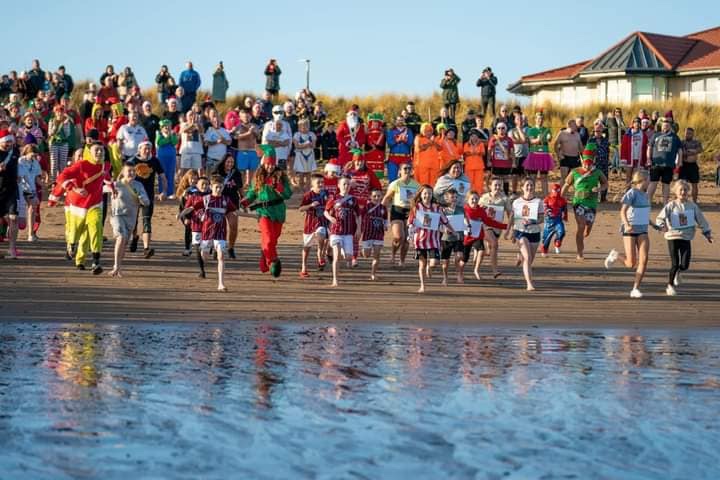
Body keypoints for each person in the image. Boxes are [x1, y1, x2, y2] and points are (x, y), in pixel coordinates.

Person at [48, 143, 111, 273]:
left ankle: (95, 261)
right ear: (89, 153)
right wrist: (73, 189)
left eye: (101, 150)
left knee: (95, 228)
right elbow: (61, 177)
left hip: (95, 204)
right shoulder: (80, 165)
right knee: (75, 232)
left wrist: (112, 187)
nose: (100, 152)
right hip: (76, 206)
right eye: (96, 150)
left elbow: (105, 178)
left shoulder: (105, 166)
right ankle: (71, 245)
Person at [655, 180, 713, 296]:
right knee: (675, 263)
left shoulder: (692, 206)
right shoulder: (671, 205)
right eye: (680, 190)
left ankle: (679, 272)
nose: (683, 192)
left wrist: (707, 233)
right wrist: (662, 226)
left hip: (686, 237)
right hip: (672, 236)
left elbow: (701, 220)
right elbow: (660, 218)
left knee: (685, 265)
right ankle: (670, 285)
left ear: (688, 191)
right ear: (675, 192)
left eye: (685, 190)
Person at [241, 145, 292, 277]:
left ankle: (264, 258)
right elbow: (252, 193)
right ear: (264, 163)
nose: (270, 166)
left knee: (273, 240)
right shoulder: (258, 176)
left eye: (272, 164)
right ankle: (273, 262)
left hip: (278, 212)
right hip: (263, 212)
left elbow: (288, 194)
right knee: (268, 239)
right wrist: (246, 201)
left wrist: (279, 187)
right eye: (268, 164)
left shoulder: (281, 176)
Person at [180, 175, 237, 291]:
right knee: (204, 256)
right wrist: (181, 214)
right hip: (206, 233)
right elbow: (192, 208)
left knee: (221, 256)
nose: (219, 189)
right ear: (211, 187)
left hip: (220, 233)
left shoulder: (226, 200)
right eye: (216, 187)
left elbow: (235, 211)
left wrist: (253, 216)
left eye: (221, 187)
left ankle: (221, 283)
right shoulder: (206, 199)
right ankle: (204, 252)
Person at [604, 170, 651, 298]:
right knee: (631, 263)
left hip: (643, 230)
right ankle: (615, 255)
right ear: (642, 180)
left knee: (644, 260)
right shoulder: (632, 193)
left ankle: (635, 288)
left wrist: (656, 225)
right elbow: (623, 211)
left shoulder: (646, 195)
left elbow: (644, 214)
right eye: (648, 179)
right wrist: (627, 224)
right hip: (630, 230)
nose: (650, 182)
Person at [561, 144, 608, 260]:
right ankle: (580, 252)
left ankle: (587, 229)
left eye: (589, 164)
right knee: (581, 226)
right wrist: (560, 199)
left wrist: (599, 189)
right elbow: (566, 185)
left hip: (592, 204)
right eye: (585, 164)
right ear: (582, 161)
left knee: (587, 230)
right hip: (578, 202)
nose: (587, 166)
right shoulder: (575, 172)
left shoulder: (597, 172)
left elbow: (605, 184)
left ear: (593, 162)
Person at [408, 184, 454, 293]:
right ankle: (422, 286)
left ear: (432, 195)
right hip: (420, 240)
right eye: (425, 193)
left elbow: (445, 221)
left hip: (433, 240)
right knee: (422, 264)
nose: (427, 195)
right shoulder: (416, 207)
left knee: (434, 262)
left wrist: (453, 230)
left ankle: (430, 267)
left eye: (429, 193)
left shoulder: (437, 208)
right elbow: (410, 222)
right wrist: (410, 236)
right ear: (420, 194)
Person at [108, 162, 150, 277]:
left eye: (133, 171)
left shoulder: (138, 185)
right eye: (129, 171)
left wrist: (140, 197)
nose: (131, 173)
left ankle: (119, 267)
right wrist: (110, 188)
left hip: (131, 218)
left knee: (124, 243)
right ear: (123, 172)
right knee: (121, 237)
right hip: (117, 216)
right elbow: (99, 189)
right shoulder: (116, 184)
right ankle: (115, 266)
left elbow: (147, 202)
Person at [506, 178, 543, 291]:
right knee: (528, 258)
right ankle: (529, 284)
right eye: (527, 185)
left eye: (531, 185)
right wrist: (509, 231)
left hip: (534, 233)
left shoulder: (538, 202)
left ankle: (520, 256)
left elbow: (541, 218)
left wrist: (533, 221)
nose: (529, 187)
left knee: (529, 260)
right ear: (522, 187)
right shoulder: (517, 202)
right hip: (520, 232)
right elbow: (512, 217)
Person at [464, 188, 508, 280]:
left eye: (476, 199)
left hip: (477, 236)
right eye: (472, 199)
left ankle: (476, 270)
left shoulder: (481, 211)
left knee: (482, 251)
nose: (474, 201)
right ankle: (460, 272)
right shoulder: (464, 210)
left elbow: (489, 222)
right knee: (464, 259)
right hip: (466, 237)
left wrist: (505, 226)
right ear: (467, 200)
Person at [324, 176, 360, 287]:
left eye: (348, 184)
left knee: (348, 257)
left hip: (348, 232)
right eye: (344, 184)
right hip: (336, 231)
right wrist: (330, 218)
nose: (346, 186)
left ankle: (343, 252)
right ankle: (335, 280)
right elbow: (325, 211)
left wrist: (359, 228)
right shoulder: (334, 198)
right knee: (336, 257)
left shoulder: (353, 200)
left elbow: (358, 215)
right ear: (339, 185)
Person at [382, 162, 419, 267]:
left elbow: (419, 201)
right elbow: (387, 197)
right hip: (397, 210)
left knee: (406, 239)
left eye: (409, 168)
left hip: (409, 212)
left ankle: (402, 261)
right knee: (398, 237)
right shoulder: (396, 183)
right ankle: (393, 255)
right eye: (405, 169)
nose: (407, 170)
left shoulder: (416, 185)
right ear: (400, 171)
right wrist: (380, 210)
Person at [299, 173, 330, 277]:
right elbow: (301, 208)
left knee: (322, 236)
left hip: (322, 222)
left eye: (322, 182)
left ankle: (320, 256)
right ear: (312, 183)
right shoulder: (308, 195)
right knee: (306, 247)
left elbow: (330, 204)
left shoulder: (326, 193)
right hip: (310, 224)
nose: (321, 184)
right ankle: (304, 266)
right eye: (318, 182)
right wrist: (310, 205)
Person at [213, 153, 243, 259]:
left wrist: (244, 200)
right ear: (223, 162)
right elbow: (211, 188)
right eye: (228, 162)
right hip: (218, 202)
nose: (230, 164)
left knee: (233, 226)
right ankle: (217, 248)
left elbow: (240, 189)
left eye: (232, 162)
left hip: (232, 202)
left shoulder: (236, 173)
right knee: (217, 227)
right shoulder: (217, 172)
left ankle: (231, 248)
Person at [646, 118, 683, 205]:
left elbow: (680, 151)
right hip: (656, 164)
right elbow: (649, 147)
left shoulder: (675, 137)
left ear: (670, 127)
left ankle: (665, 203)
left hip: (668, 165)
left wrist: (679, 162)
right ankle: (647, 202)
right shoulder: (656, 135)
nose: (665, 127)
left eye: (667, 126)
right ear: (661, 126)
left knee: (666, 184)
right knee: (653, 182)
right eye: (664, 126)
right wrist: (648, 159)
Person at [17, 144, 44, 242]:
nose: (34, 157)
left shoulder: (35, 162)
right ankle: (11, 230)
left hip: (31, 188)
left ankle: (30, 233)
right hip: (20, 188)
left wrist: (43, 184)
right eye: (32, 155)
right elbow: (20, 177)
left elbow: (37, 177)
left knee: (33, 207)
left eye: (35, 155)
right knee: (16, 212)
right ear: (26, 152)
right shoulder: (20, 161)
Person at [524, 111, 554, 198]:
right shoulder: (531, 130)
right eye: (538, 118)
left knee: (544, 177)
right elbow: (531, 141)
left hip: (544, 155)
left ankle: (545, 197)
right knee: (533, 177)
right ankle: (531, 196)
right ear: (535, 119)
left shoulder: (547, 130)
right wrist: (538, 139)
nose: (540, 120)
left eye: (541, 119)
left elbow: (549, 139)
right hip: (534, 154)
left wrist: (549, 138)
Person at [360, 188, 387, 281]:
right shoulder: (367, 207)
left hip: (379, 234)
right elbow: (360, 217)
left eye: (378, 196)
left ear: (381, 197)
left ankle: (373, 274)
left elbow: (385, 218)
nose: (376, 198)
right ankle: (362, 251)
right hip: (368, 234)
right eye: (374, 196)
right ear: (370, 197)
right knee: (366, 255)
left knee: (377, 255)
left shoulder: (383, 208)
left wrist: (386, 225)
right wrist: (360, 227)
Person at [0, 130, 20, 258]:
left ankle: (12, 249)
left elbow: (18, 165)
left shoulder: (15, 152)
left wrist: (19, 175)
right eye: (6, 142)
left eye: (10, 141)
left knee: (13, 218)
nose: (9, 144)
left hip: (11, 189)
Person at [439, 188, 465, 285]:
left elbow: (466, 221)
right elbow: (437, 224)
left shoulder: (461, 209)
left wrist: (468, 227)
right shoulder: (442, 210)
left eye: (456, 197)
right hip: (446, 238)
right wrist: (443, 229)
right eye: (452, 197)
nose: (454, 199)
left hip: (458, 237)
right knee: (445, 262)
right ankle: (445, 277)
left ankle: (459, 275)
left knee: (459, 256)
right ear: (446, 198)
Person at [176, 169, 202, 257]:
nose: (194, 181)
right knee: (188, 229)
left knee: (198, 230)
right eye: (192, 179)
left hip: (196, 214)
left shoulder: (199, 188)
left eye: (196, 179)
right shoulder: (186, 190)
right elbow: (183, 205)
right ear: (187, 179)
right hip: (185, 213)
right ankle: (188, 248)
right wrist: (186, 217)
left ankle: (202, 247)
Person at [47, 106, 77, 182]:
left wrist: (65, 125)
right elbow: (50, 133)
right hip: (54, 143)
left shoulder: (67, 122)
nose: (59, 113)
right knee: (54, 164)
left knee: (62, 165)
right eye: (58, 112)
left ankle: (61, 181)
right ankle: (53, 182)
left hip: (63, 143)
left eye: (61, 112)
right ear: (55, 113)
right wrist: (55, 126)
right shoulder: (52, 121)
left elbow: (67, 134)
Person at [620, 117, 649, 191]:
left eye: (638, 123)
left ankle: (636, 191)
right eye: (635, 123)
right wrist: (623, 159)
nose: (637, 124)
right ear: (632, 124)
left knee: (637, 177)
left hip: (639, 158)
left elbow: (646, 147)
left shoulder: (643, 135)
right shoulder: (628, 134)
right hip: (629, 158)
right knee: (628, 176)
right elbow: (623, 147)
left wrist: (645, 159)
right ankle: (627, 190)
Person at [540, 183, 568, 256]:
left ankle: (557, 243)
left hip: (558, 220)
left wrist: (565, 216)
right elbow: (544, 207)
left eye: (558, 190)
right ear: (552, 190)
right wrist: (548, 211)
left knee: (562, 232)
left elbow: (565, 209)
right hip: (549, 221)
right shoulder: (547, 199)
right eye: (555, 190)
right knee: (547, 237)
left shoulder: (562, 200)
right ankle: (544, 250)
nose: (556, 192)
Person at [233, 108, 260, 186]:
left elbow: (258, 137)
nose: (246, 118)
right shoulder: (238, 127)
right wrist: (248, 133)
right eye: (244, 117)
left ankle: (250, 188)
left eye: (247, 117)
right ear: (240, 117)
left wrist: (253, 131)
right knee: (242, 172)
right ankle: (242, 187)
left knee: (253, 171)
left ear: (250, 116)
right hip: (242, 151)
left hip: (253, 151)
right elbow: (236, 137)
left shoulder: (255, 126)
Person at [487, 122, 515, 195]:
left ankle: (506, 195)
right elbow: (489, 151)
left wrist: (514, 162)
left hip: (506, 163)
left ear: (506, 129)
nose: (501, 130)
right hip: (496, 163)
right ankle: (495, 194)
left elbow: (512, 151)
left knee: (506, 179)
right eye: (499, 128)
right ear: (496, 129)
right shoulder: (493, 139)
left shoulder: (509, 139)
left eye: (503, 128)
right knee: (496, 180)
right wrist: (488, 161)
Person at [262, 105, 292, 170]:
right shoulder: (268, 124)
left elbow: (289, 140)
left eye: (280, 112)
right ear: (272, 113)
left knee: (281, 172)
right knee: (269, 171)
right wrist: (265, 154)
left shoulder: (287, 124)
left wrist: (288, 153)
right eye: (276, 112)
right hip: (271, 153)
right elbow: (265, 140)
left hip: (283, 154)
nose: (279, 114)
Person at [553, 118, 584, 183]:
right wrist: (559, 155)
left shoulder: (577, 134)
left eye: (576, 125)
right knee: (564, 178)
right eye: (574, 125)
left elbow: (581, 147)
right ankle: (561, 190)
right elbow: (555, 144)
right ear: (569, 125)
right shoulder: (562, 133)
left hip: (575, 158)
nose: (576, 127)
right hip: (565, 158)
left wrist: (583, 158)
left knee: (576, 178)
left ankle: (575, 190)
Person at [386, 116, 414, 183]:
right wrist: (397, 140)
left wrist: (405, 140)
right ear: (396, 121)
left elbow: (411, 143)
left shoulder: (408, 131)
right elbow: (389, 143)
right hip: (393, 157)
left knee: (405, 178)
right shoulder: (391, 131)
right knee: (392, 178)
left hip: (405, 158)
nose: (400, 121)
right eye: (398, 120)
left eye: (402, 120)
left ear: (404, 121)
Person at [155, 119, 179, 198]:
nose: (167, 128)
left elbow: (175, 142)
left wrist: (170, 136)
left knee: (170, 174)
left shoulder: (173, 134)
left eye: (168, 126)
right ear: (161, 128)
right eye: (165, 127)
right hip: (162, 158)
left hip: (171, 157)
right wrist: (168, 138)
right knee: (162, 174)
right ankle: (162, 192)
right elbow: (159, 143)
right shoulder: (159, 134)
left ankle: (170, 193)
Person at [588, 122, 611, 202]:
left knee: (604, 180)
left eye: (599, 131)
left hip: (604, 163)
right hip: (594, 164)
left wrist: (608, 161)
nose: (597, 133)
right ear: (594, 131)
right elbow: (587, 153)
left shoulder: (605, 140)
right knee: (593, 181)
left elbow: (608, 151)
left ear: (602, 131)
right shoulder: (590, 141)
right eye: (596, 131)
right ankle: (593, 197)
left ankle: (603, 198)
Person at [293, 119, 317, 192]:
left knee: (309, 174)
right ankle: (300, 190)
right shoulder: (296, 135)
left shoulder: (312, 134)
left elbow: (313, 145)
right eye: (302, 126)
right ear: (299, 127)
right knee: (301, 174)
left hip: (310, 156)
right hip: (300, 156)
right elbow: (297, 146)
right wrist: (307, 144)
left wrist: (303, 145)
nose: (304, 127)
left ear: (308, 126)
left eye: (306, 125)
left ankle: (307, 190)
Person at [204, 109, 231, 173]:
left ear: (221, 121)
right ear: (212, 122)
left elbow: (229, 142)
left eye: (218, 121)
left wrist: (223, 141)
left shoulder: (225, 131)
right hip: (211, 159)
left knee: (220, 177)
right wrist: (216, 142)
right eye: (215, 121)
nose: (216, 122)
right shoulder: (209, 130)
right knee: (209, 177)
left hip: (222, 160)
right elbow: (206, 143)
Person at [680, 127, 703, 203]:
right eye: (686, 133)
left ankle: (694, 202)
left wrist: (693, 151)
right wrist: (692, 152)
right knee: (682, 184)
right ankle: (682, 201)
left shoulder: (696, 142)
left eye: (690, 133)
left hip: (693, 165)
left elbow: (700, 150)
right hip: (684, 165)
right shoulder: (682, 142)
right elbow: (682, 152)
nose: (688, 135)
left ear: (693, 134)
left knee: (694, 184)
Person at [179, 110, 204, 175]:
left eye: (193, 115)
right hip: (186, 151)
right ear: (186, 117)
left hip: (197, 151)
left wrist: (197, 124)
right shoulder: (183, 124)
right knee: (185, 170)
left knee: (196, 171)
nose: (192, 116)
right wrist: (192, 124)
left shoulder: (199, 124)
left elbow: (201, 131)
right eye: (190, 115)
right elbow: (183, 130)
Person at [461, 128, 486, 194]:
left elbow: (483, 153)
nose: (474, 137)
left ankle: (479, 194)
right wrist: (476, 153)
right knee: (469, 182)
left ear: (477, 137)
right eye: (472, 136)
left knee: (479, 182)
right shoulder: (466, 144)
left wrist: (473, 153)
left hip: (479, 166)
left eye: (475, 136)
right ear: (470, 137)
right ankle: (469, 194)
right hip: (469, 166)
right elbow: (465, 153)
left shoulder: (481, 144)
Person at [509, 114, 528, 196]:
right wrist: (522, 140)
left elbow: (525, 139)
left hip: (525, 155)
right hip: (515, 156)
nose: (520, 121)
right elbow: (512, 141)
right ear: (515, 121)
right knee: (514, 175)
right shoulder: (511, 131)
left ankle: (524, 191)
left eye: (521, 119)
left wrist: (520, 130)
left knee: (524, 175)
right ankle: (514, 192)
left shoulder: (527, 129)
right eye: (518, 119)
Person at [364, 113, 386, 180]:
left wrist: (378, 147)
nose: (375, 124)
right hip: (369, 153)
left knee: (378, 173)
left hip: (379, 153)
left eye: (377, 122)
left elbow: (383, 145)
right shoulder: (367, 132)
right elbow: (365, 143)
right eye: (373, 122)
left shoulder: (382, 133)